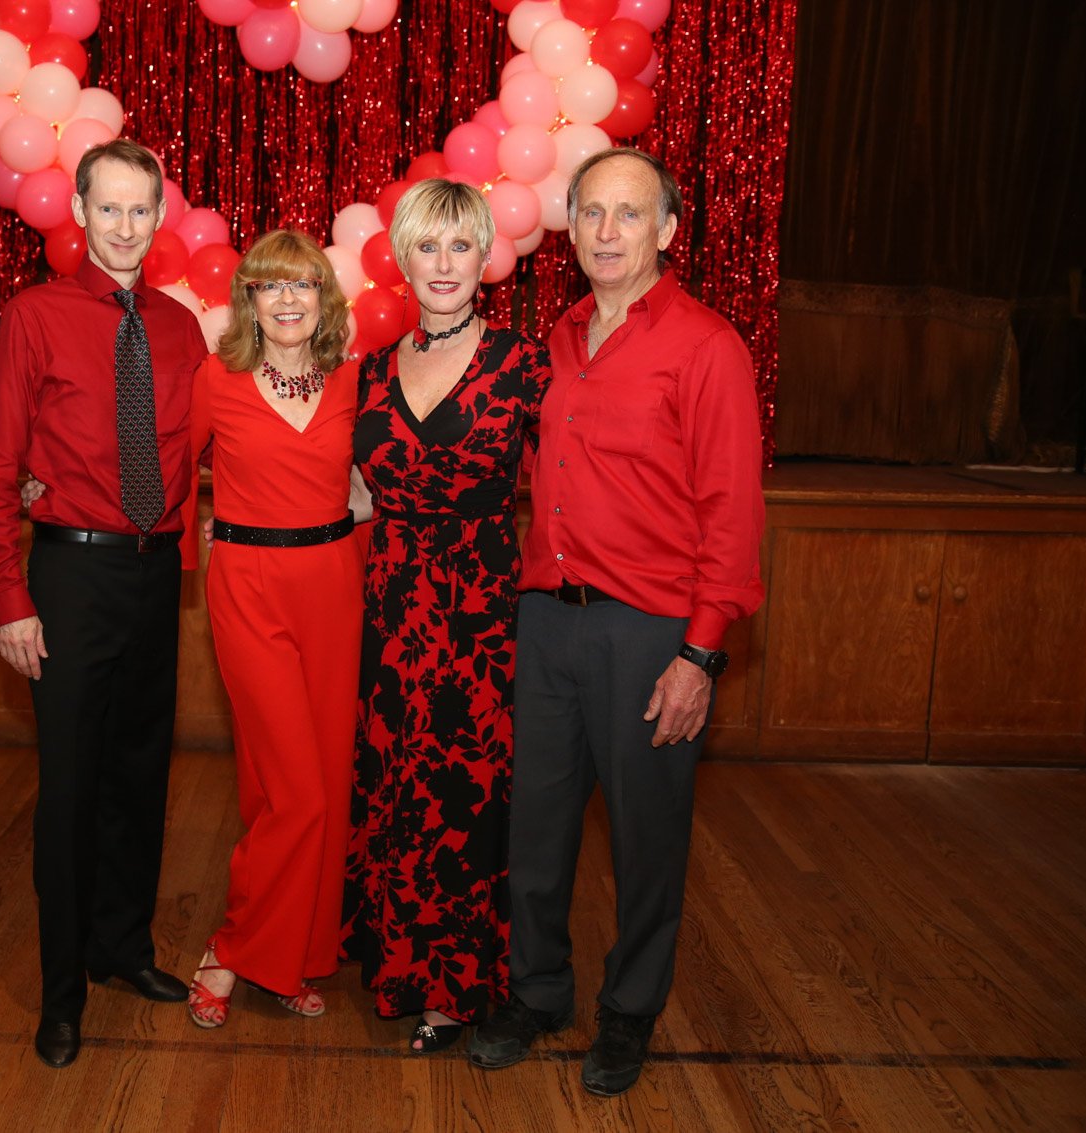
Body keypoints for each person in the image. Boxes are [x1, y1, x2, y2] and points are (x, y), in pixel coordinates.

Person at [467, 147, 766, 1097]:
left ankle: (630, 1010)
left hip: (650, 633)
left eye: (629, 214)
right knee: (537, 829)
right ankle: (537, 991)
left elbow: (732, 515)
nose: (606, 232)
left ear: (668, 230)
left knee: (647, 839)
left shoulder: (706, 346)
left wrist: (699, 655)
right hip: (547, 619)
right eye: (591, 212)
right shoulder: (552, 340)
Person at [0, 138, 206, 1070]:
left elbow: (206, 447)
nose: (125, 226)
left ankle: (122, 949)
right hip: (69, 577)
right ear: (78, 210)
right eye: (109, 208)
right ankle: (61, 993)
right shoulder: (35, 315)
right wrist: (7, 596)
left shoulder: (181, 329)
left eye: (140, 210)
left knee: (140, 778)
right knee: (69, 790)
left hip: (157, 574)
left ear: (160, 216)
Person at [342, 179, 550, 1054]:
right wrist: (236, 525)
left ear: (486, 259)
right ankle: (396, 959)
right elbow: (349, 493)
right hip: (393, 604)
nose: (442, 263)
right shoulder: (370, 369)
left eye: (460, 246)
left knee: (463, 792)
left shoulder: (524, 362)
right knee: (395, 778)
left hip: (480, 611)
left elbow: (569, 484)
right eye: (426, 245)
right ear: (402, 255)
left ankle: (456, 985)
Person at [180, 230, 368, 1029]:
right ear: (248, 301)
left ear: (325, 298)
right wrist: (54, 481)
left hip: (334, 584)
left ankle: (293, 954)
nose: (288, 299)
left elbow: (392, 478)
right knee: (296, 790)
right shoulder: (216, 379)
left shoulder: (356, 380)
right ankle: (231, 947)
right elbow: (163, 466)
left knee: (318, 780)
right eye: (270, 285)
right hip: (249, 586)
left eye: (303, 284)